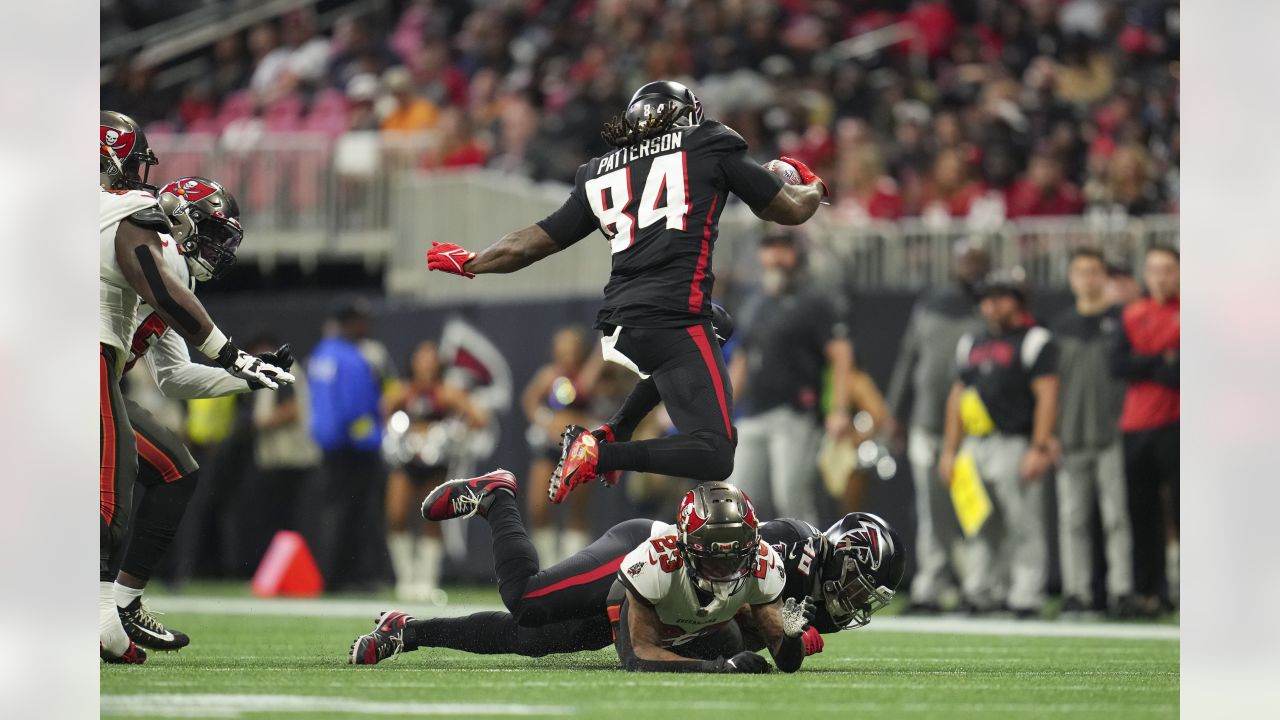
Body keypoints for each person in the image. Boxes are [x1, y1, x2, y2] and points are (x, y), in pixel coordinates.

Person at [425, 80, 825, 503]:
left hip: (622, 323)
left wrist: (473, 261)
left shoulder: (600, 169)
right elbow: (791, 209)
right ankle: (603, 453)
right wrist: (815, 184)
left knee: (720, 323)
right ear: (684, 115)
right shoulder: (709, 143)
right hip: (675, 316)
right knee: (716, 452)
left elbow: (534, 241)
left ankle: (616, 428)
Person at [350, 472, 903, 670]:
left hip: (676, 614)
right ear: (844, 553)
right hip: (648, 560)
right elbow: (730, 578)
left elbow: (738, 630)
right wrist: (777, 634)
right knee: (529, 600)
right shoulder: (793, 547)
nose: (854, 603)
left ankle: (409, 631)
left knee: (537, 640)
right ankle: (498, 496)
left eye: (866, 599)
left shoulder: (817, 602)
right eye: (858, 586)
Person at [99, 112, 293, 663]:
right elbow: (164, 294)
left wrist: (242, 376)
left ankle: (123, 602)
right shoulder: (147, 233)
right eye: (215, 233)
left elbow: (173, 377)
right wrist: (234, 358)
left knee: (175, 468)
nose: (220, 248)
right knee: (120, 484)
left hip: (101, 380)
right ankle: (104, 614)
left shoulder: (160, 254)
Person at [938, 269, 1059, 617]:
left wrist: (1039, 446)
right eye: (987, 298)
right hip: (974, 445)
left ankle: (1026, 594)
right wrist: (950, 449)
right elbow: (957, 398)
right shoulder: (971, 342)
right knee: (978, 523)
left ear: (1018, 300)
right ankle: (981, 590)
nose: (990, 305)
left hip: (1014, 441)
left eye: (999, 297)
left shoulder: (1036, 339)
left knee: (1023, 522)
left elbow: (1048, 395)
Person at [884, 244, 989, 613]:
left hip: (973, 429)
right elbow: (908, 362)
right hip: (927, 423)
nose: (970, 267)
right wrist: (894, 414)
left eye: (977, 261)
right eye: (965, 260)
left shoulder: (990, 308)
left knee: (972, 510)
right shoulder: (930, 305)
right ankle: (931, 585)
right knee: (932, 512)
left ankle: (979, 586)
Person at [727, 228, 854, 521]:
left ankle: (811, 564)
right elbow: (742, 362)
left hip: (794, 414)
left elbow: (842, 356)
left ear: (797, 253)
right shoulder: (754, 304)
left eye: (784, 247)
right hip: (754, 414)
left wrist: (839, 409)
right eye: (770, 246)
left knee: (791, 498)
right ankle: (751, 565)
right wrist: (724, 409)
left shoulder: (814, 299)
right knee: (737, 498)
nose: (776, 255)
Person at [1050, 248, 1135, 616]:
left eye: (1094, 272)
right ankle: (1077, 592)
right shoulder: (1061, 326)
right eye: (1080, 272)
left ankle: (1121, 591)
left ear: (1104, 277)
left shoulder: (1122, 321)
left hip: (1111, 433)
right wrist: (1050, 433)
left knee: (1116, 516)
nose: (1087, 279)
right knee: (1073, 519)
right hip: (1070, 436)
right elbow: (1050, 387)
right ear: (1071, 278)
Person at [383, 340, 489, 601]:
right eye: (422, 358)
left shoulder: (447, 393)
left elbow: (479, 418)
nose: (427, 364)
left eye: (432, 359)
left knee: (432, 517)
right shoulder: (402, 391)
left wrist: (453, 435)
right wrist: (400, 436)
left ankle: (426, 579)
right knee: (396, 515)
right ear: (413, 362)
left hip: (435, 464)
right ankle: (406, 578)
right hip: (406, 461)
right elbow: (383, 413)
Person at [1110, 245, 1179, 615]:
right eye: (1154, 269)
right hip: (1136, 425)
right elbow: (1118, 365)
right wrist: (1162, 360)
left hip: (1179, 423)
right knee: (1142, 514)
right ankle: (1148, 592)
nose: (1161, 277)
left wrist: (1149, 364)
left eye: (1168, 269)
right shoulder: (1132, 314)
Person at [306, 300, 389, 591]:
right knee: (355, 512)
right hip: (354, 447)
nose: (366, 327)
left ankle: (328, 575)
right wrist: (374, 438)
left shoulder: (321, 353)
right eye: (362, 321)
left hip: (327, 443)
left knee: (333, 511)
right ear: (351, 323)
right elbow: (356, 410)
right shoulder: (351, 357)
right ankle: (350, 576)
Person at [521, 327, 601, 564]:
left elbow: (595, 393)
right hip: (550, 447)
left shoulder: (588, 375)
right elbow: (529, 401)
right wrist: (545, 421)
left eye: (571, 349)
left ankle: (573, 564)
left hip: (580, 450)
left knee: (576, 510)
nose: (566, 355)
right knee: (538, 505)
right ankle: (548, 564)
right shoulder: (547, 375)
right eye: (561, 349)